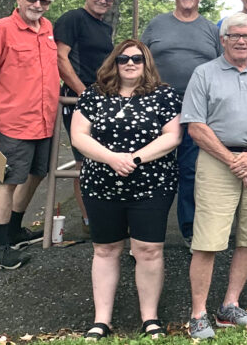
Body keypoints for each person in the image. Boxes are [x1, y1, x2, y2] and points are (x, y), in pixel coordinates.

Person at [69, 40, 182, 340]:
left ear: (147, 63)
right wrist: (111, 158)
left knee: (149, 250)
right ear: (114, 62)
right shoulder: (94, 94)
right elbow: (78, 135)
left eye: (137, 58)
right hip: (101, 185)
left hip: (152, 185)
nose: (130, 63)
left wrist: (133, 159)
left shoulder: (164, 95)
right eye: (123, 59)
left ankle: (150, 318)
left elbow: (173, 136)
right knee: (105, 250)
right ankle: (101, 320)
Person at [181, 13, 247, 339]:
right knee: (207, 241)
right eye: (234, 35)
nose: (241, 41)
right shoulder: (204, 74)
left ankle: (229, 305)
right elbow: (195, 126)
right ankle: (198, 314)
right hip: (217, 160)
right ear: (223, 40)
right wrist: (233, 160)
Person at [0, 0, 59, 270]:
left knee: (37, 174)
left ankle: (15, 231)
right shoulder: (1, 29)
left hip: (44, 122)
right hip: (14, 125)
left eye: (44, 1)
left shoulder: (47, 29)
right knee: (7, 183)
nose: (37, 5)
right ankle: (0, 249)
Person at [141, 0, 221, 244]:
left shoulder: (211, 30)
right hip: (158, 107)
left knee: (190, 170)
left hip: (198, 109)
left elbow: (221, 67)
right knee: (151, 166)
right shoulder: (156, 25)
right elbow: (138, 60)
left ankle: (189, 231)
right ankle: (146, 233)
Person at [55, 0, 119, 230]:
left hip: (104, 101)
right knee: (84, 162)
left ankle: (107, 215)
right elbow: (61, 59)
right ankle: (89, 221)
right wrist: (84, 94)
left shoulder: (105, 27)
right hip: (77, 101)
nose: (103, 0)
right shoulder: (73, 19)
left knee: (107, 158)